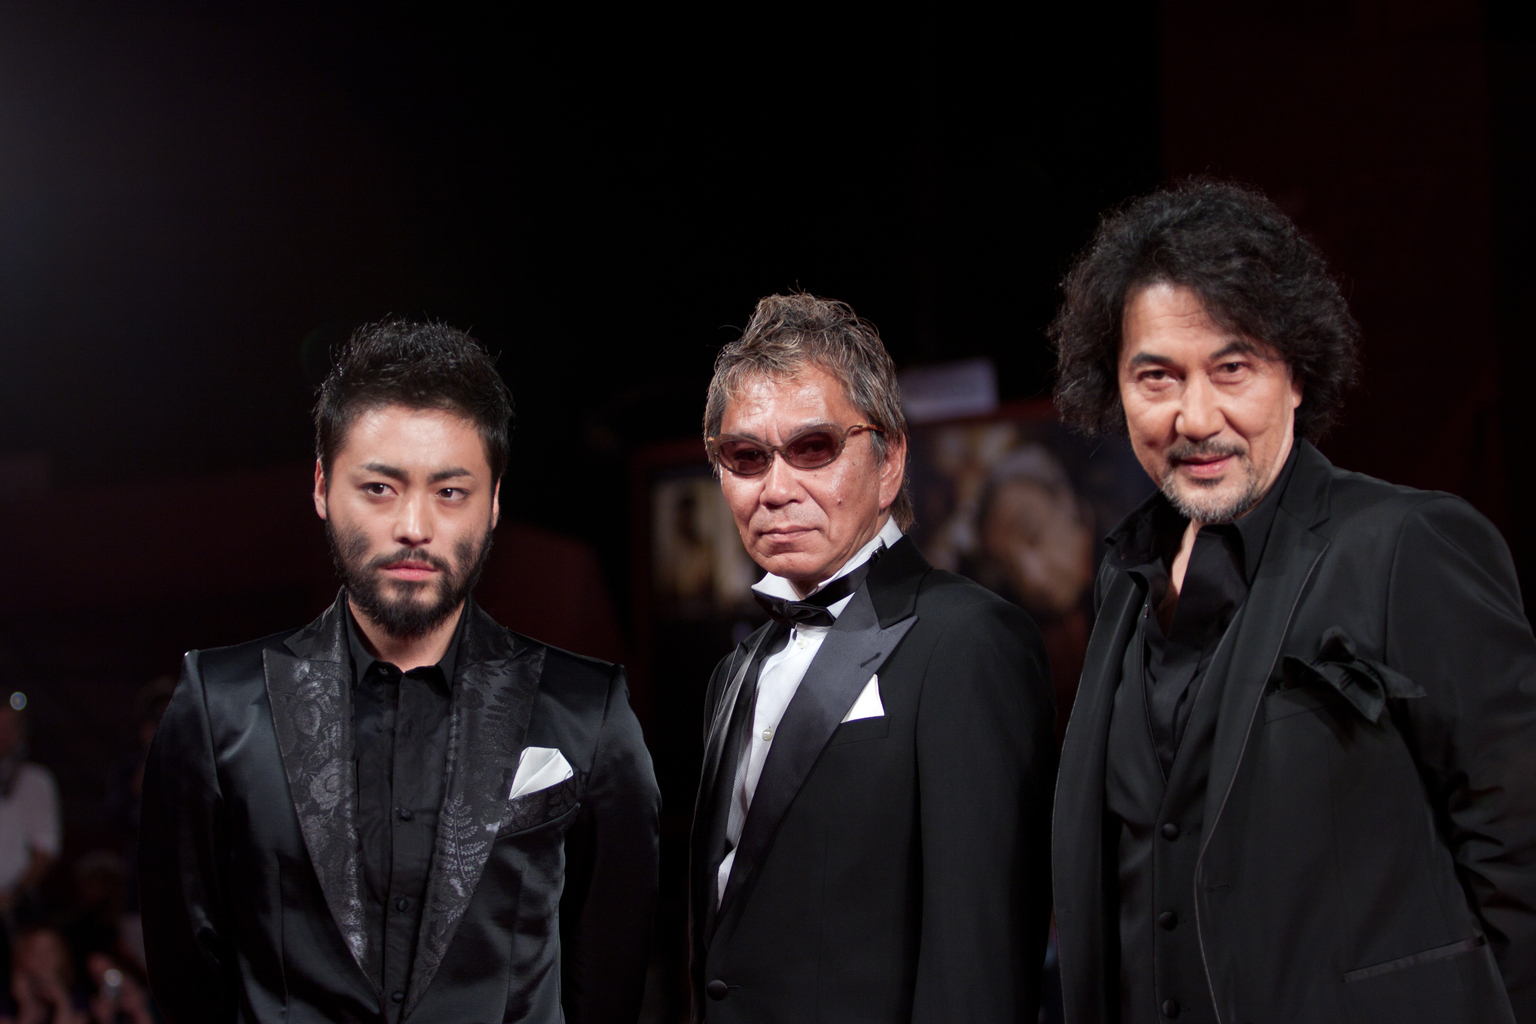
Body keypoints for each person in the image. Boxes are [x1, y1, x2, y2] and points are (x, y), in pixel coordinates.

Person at [1049, 180, 1536, 1023]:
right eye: (1157, 377)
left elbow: (1518, 851)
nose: (1195, 416)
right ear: (1115, 389)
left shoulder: (1409, 546)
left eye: (1231, 369)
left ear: (1297, 375)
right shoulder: (1124, 578)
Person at [140, 320, 661, 1024]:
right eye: (380, 487)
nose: (414, 526)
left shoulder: (584, 710)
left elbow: (611, 981)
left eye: (450, 492)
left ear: (494, 501)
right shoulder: (221, 707)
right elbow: (186, 976)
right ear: (323, 487)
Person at [689, 293, 1056, 1022]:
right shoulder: (734, 673)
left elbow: (978, 961)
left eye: (813, 448)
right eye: (746, 457)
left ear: (889, 462)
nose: (776, 489)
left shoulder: (968, 640)